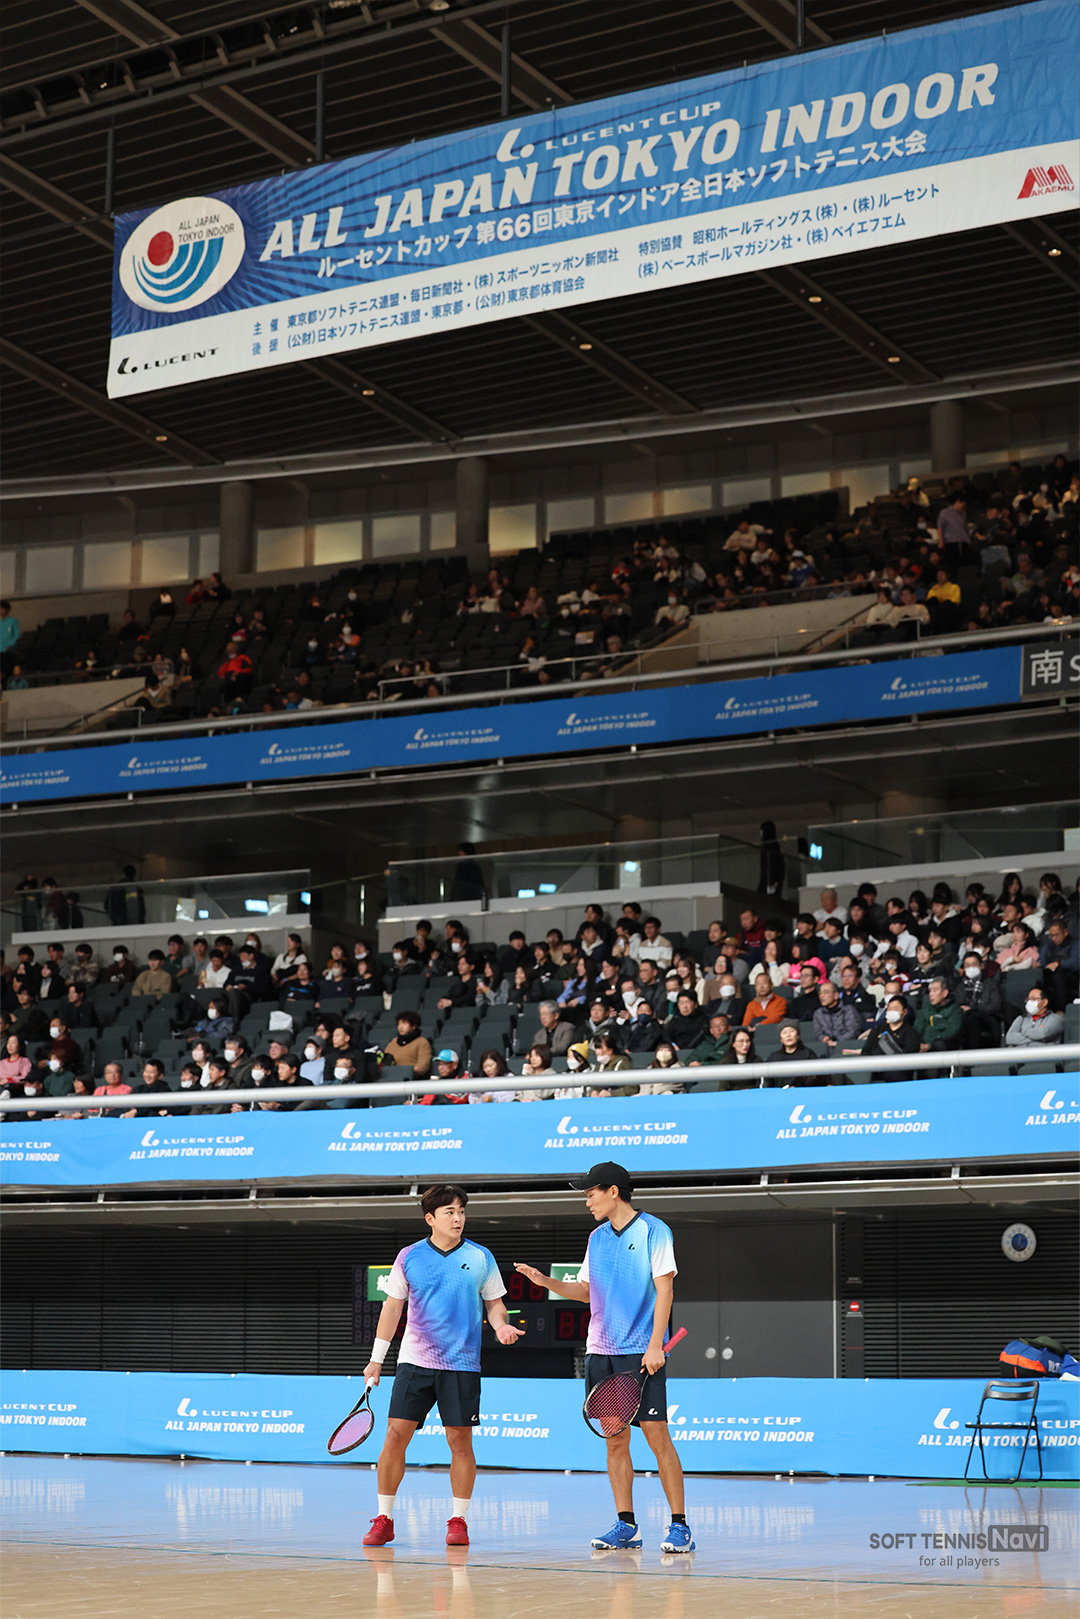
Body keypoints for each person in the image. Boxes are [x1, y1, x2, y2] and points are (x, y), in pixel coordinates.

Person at [516, 1163, 692, 1554]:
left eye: (591, 1193)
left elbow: (665, 1291)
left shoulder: (654, 1231)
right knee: (614, 1440)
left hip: (640, 1352)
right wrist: (546, 1282)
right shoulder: (596, 1238)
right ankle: (626, 1525)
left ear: (614, 1191)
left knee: (657, 1436)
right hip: (601, 1351)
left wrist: (655, 1345)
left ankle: (680, 1526)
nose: (587, 1201)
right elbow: (586, 1292)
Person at [362, 1185, 523, 1548]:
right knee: (394, 1436)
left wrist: (501, 1326)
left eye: (461, 1211)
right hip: (414, 1362)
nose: (458, 1218)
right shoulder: (409, 1256)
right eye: (449, 1212)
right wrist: (376, 1359)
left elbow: (495, 1304)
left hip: (462, 1365)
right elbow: (392, 1308)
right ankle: (384, 1519)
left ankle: (458, 1520)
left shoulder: (480, 1257)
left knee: (459, 1441)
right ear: (430, 1218)